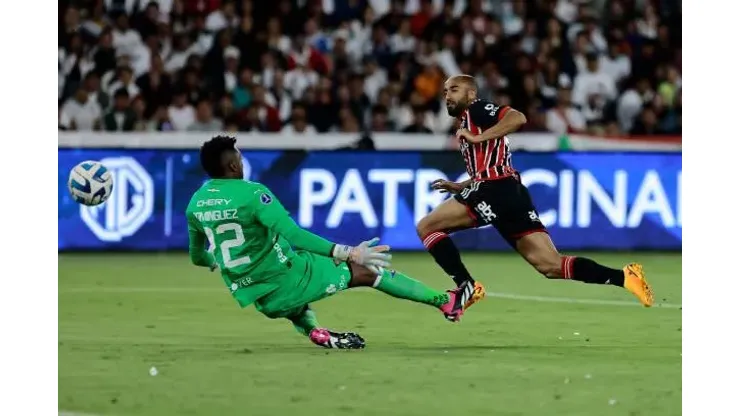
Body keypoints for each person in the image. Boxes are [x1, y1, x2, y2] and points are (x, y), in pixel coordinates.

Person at [186, 136, 460, 349]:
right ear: (233, 165)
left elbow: (198, 256)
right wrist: (348, 252)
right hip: (287, 281)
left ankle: (314, 330)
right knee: (368, 272)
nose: (242, 162)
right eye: (240, 158)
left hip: (259, 298)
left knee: (296, 284)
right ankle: (444, 301)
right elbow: (294, 235)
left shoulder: (195, 203)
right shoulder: (253, 194)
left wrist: (215, 260)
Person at [416, 75, 654, 321]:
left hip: (495, 190)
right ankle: (625, 277)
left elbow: (517, 117)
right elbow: (490, 167)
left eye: (454, 90)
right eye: (445, 91)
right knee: (550, 265)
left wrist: (478, 138)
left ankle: (466, 286)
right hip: (510, 192)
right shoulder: (466, 122)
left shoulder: (477, 110)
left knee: (427, 227)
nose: (447, 95)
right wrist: (460, 185)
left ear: (470, 94)